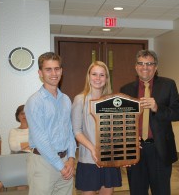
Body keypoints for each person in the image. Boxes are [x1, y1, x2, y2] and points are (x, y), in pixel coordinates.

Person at [120, 50, 179, 195]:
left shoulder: (168, 85)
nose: (145, 67)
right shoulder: (126, 89)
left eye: (149, 64)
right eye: (141, 63)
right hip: (136, 149)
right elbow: (122, 122)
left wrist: (157, 108)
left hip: (159, 149)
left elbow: (178, 113)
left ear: (155, 67)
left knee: (161, 191)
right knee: (137, 191)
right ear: (136, 67)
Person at [25, 52, 77, 195]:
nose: (54, 73)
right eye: (48, 69)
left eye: (57, 68)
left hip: (65, 162)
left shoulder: (66, 99)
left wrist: (71, 159)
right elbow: (40, 140)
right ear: (40, 73)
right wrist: (61, 166)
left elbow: (69, 133)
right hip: (43, 164)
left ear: (61, 71)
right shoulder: (34, 102)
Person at [71, 61, 122, 195]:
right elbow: (76, 131)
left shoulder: (112, 101)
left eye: (102, 75)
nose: (98, 78)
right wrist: (93, 149)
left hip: (109, 159)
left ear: (106, 79)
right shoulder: (80, 100)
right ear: (88, 76)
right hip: (88, 159)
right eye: (94, 74)